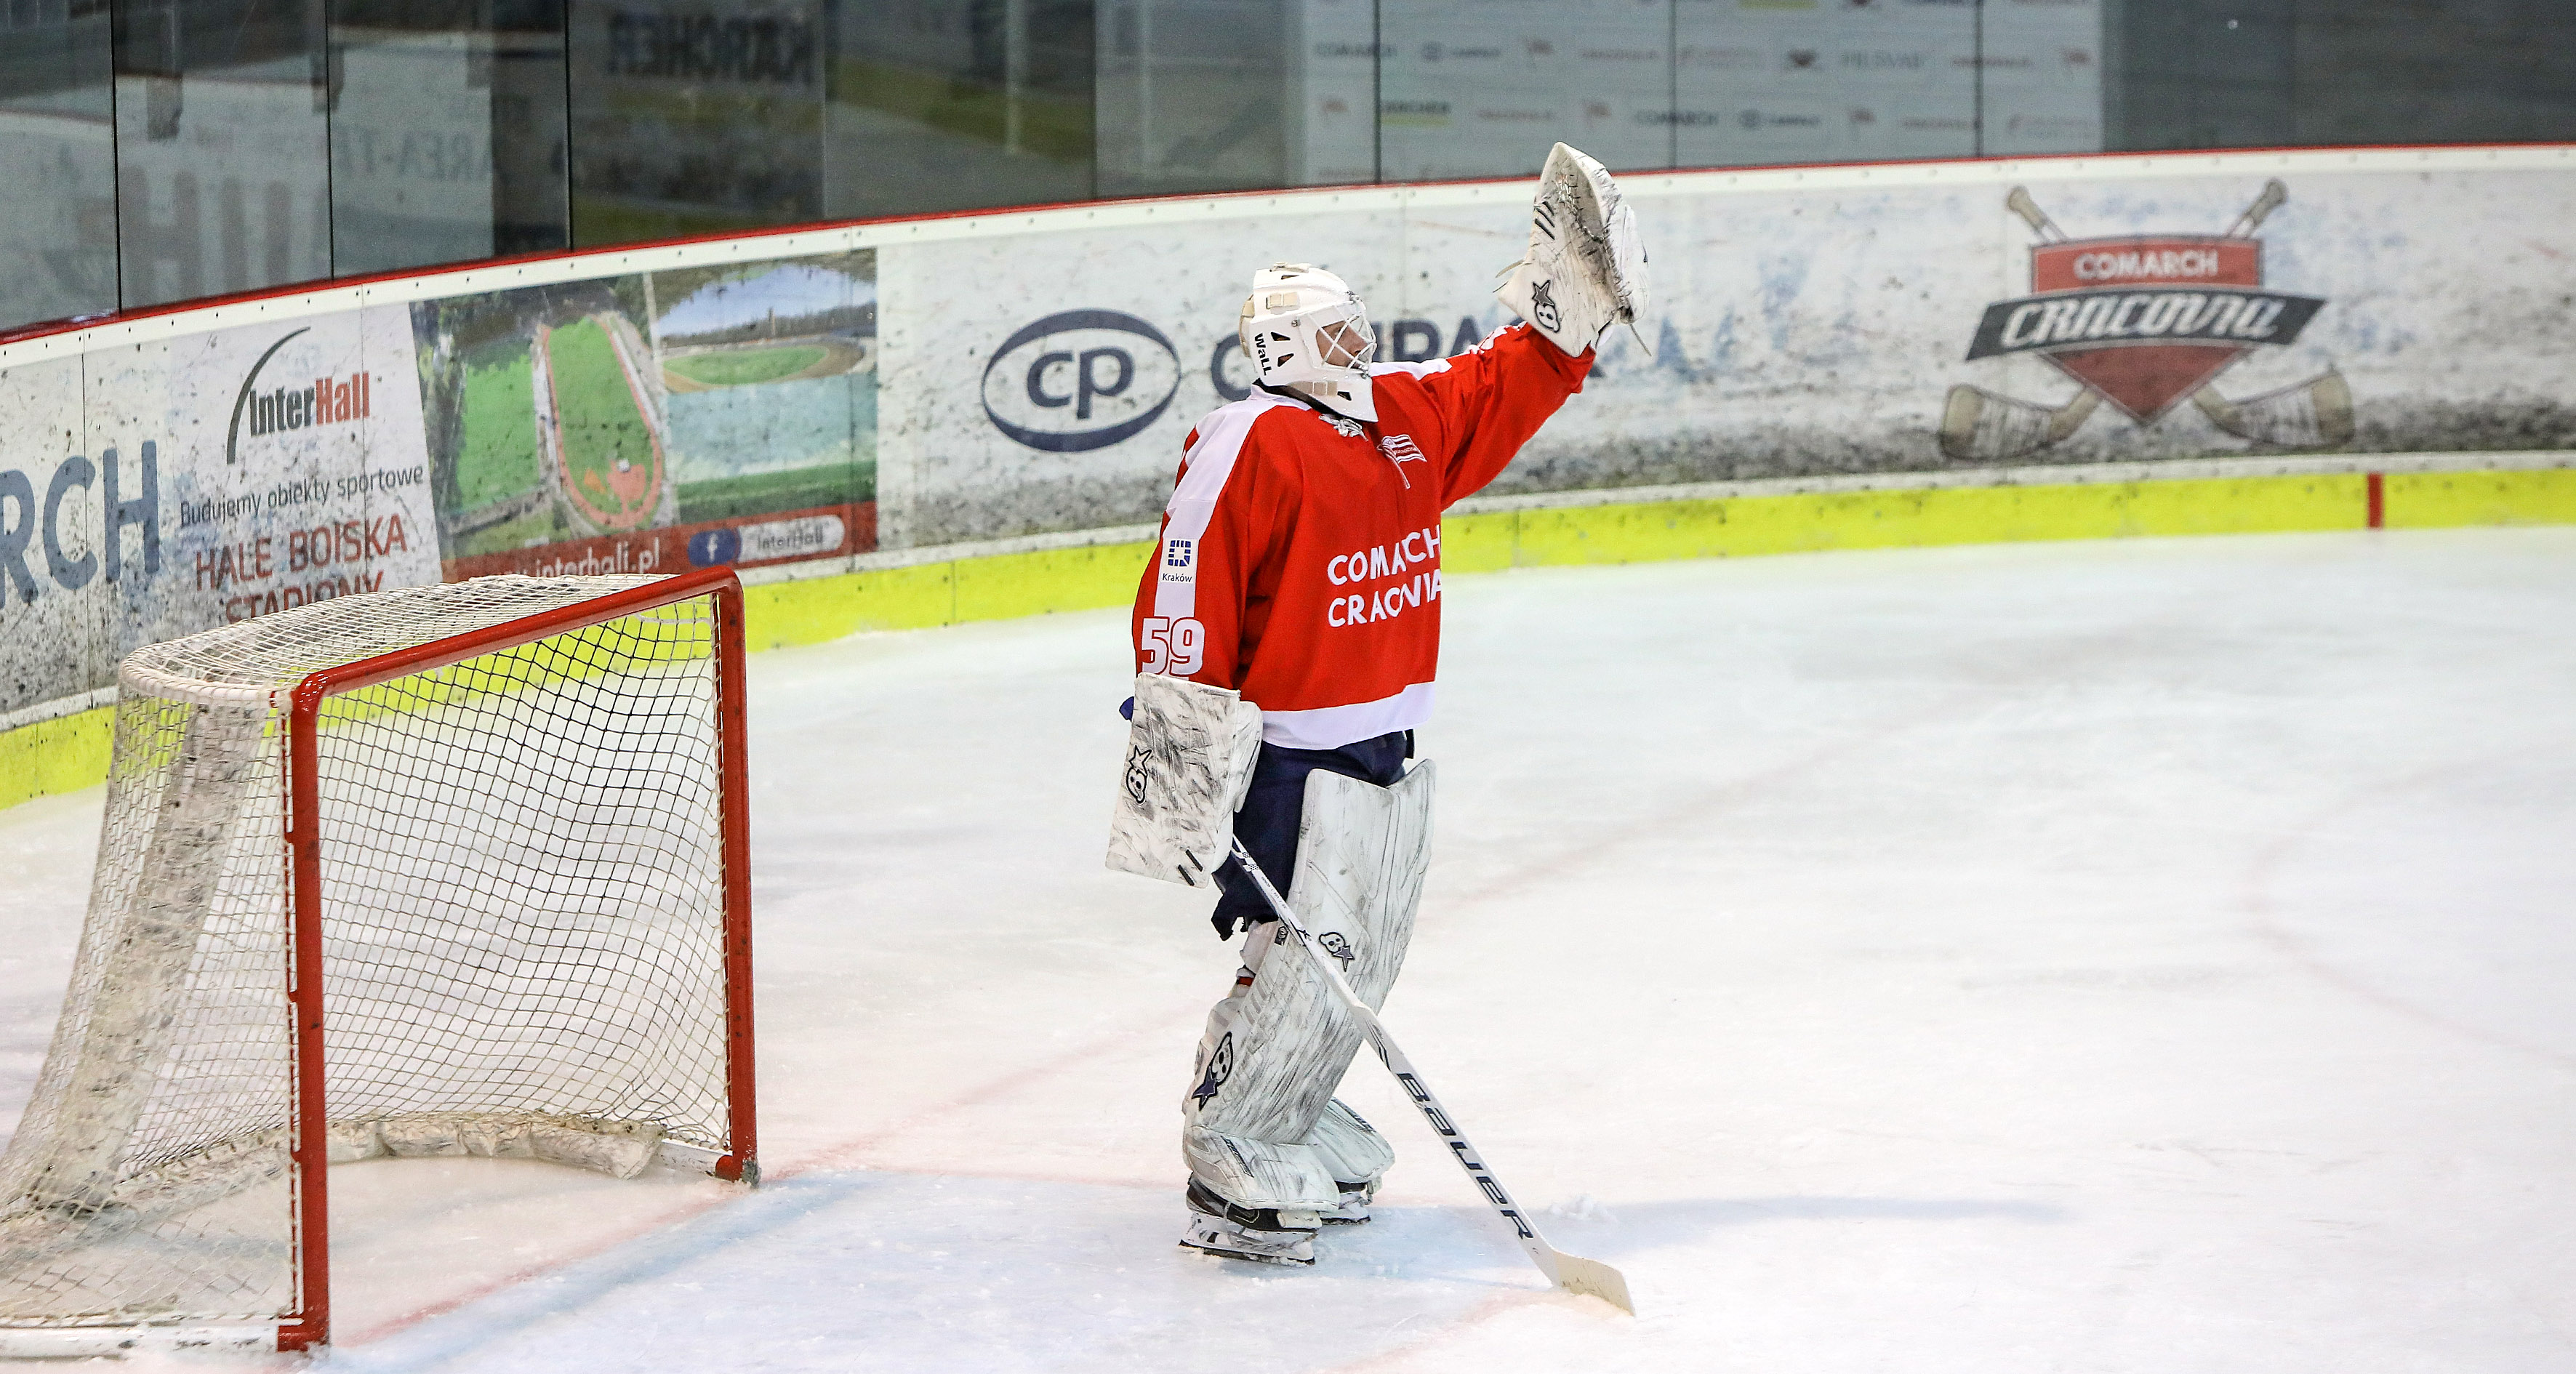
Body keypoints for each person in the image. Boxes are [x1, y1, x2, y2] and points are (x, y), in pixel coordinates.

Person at [1118, 143, 1648, 1265]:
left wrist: (1568, 315)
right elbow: (1180, 596)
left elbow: (1496, 387)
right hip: (1285, 757)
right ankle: (1231, 1134)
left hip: (1384, 738)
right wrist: (1178, 752)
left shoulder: (1401, 422)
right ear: (1284, 346)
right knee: (1303, 945)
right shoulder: (1242, 444)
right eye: (1340, 329)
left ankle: (1289, 1101)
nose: (1364, 342)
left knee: (1361, 953)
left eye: (1360, 323)